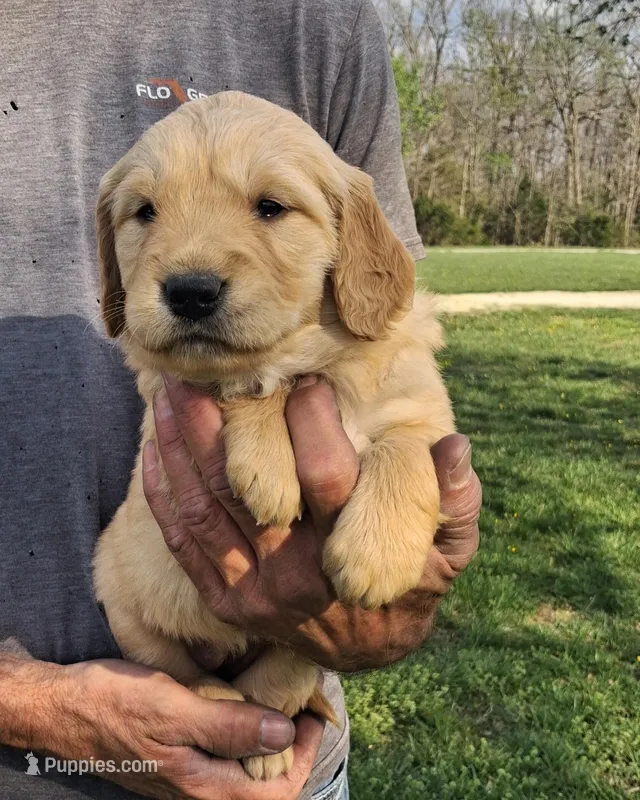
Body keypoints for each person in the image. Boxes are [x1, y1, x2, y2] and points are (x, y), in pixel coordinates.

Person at [0, 1, 481, 798]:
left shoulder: (314, 19)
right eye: (144, 213)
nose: (188, 264)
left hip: (289, 773)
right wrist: (28, 703)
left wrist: (383, 588)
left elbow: (392, 367)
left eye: (268, 208)